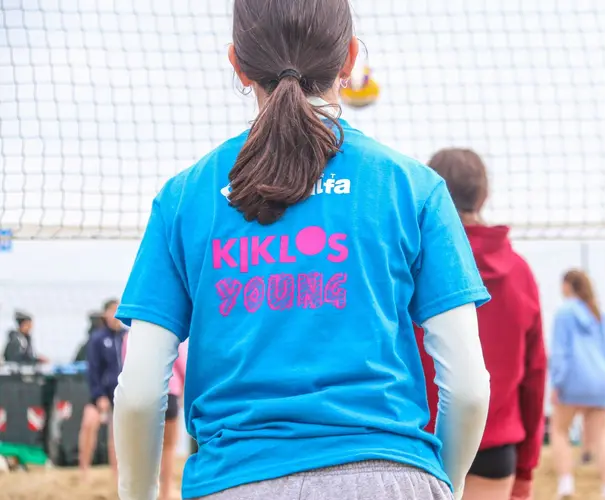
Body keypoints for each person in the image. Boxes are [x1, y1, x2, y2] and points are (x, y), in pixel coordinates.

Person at [112, 1, 492, 500]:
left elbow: (139, 394)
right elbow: (467, 387)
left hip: (236, 479)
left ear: (238, 65)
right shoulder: (412, 186)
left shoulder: (185, 196)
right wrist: (441, 482)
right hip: (393, 476)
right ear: (350, 59)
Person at [417, 149, 547, 500]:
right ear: (484, 196)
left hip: (420, 442)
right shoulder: (519, 272)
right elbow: (534, 374)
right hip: (494, 444)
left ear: (433, 192)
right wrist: (526, 467)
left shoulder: (411, 263)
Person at [550, 270, 605, 500]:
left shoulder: (564, 312)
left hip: (573, 380)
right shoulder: (598, 312)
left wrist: (557, 382)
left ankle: (565, 484)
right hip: (601, 382)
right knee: (603, 435)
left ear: (568, 285)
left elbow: (561, 352)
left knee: (559, 430)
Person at [121, 334, 188, 500]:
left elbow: (126, 367)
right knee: (169, 446)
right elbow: (184, 366)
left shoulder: (130, 335)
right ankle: (165, 493)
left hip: (143, 394)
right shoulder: (173, 333)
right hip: (169, 392)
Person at [78, 299, 125, 481]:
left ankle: (117, 475)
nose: (116, 315)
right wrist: (98, 395)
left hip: (121, 394)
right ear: (105, 314)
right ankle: (84, 470)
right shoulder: (97, 338)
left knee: (118, 436)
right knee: (89, 425)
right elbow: (93, 370)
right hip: (101, 394)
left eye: (118, 310)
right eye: (112, 310)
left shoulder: (126, 337)